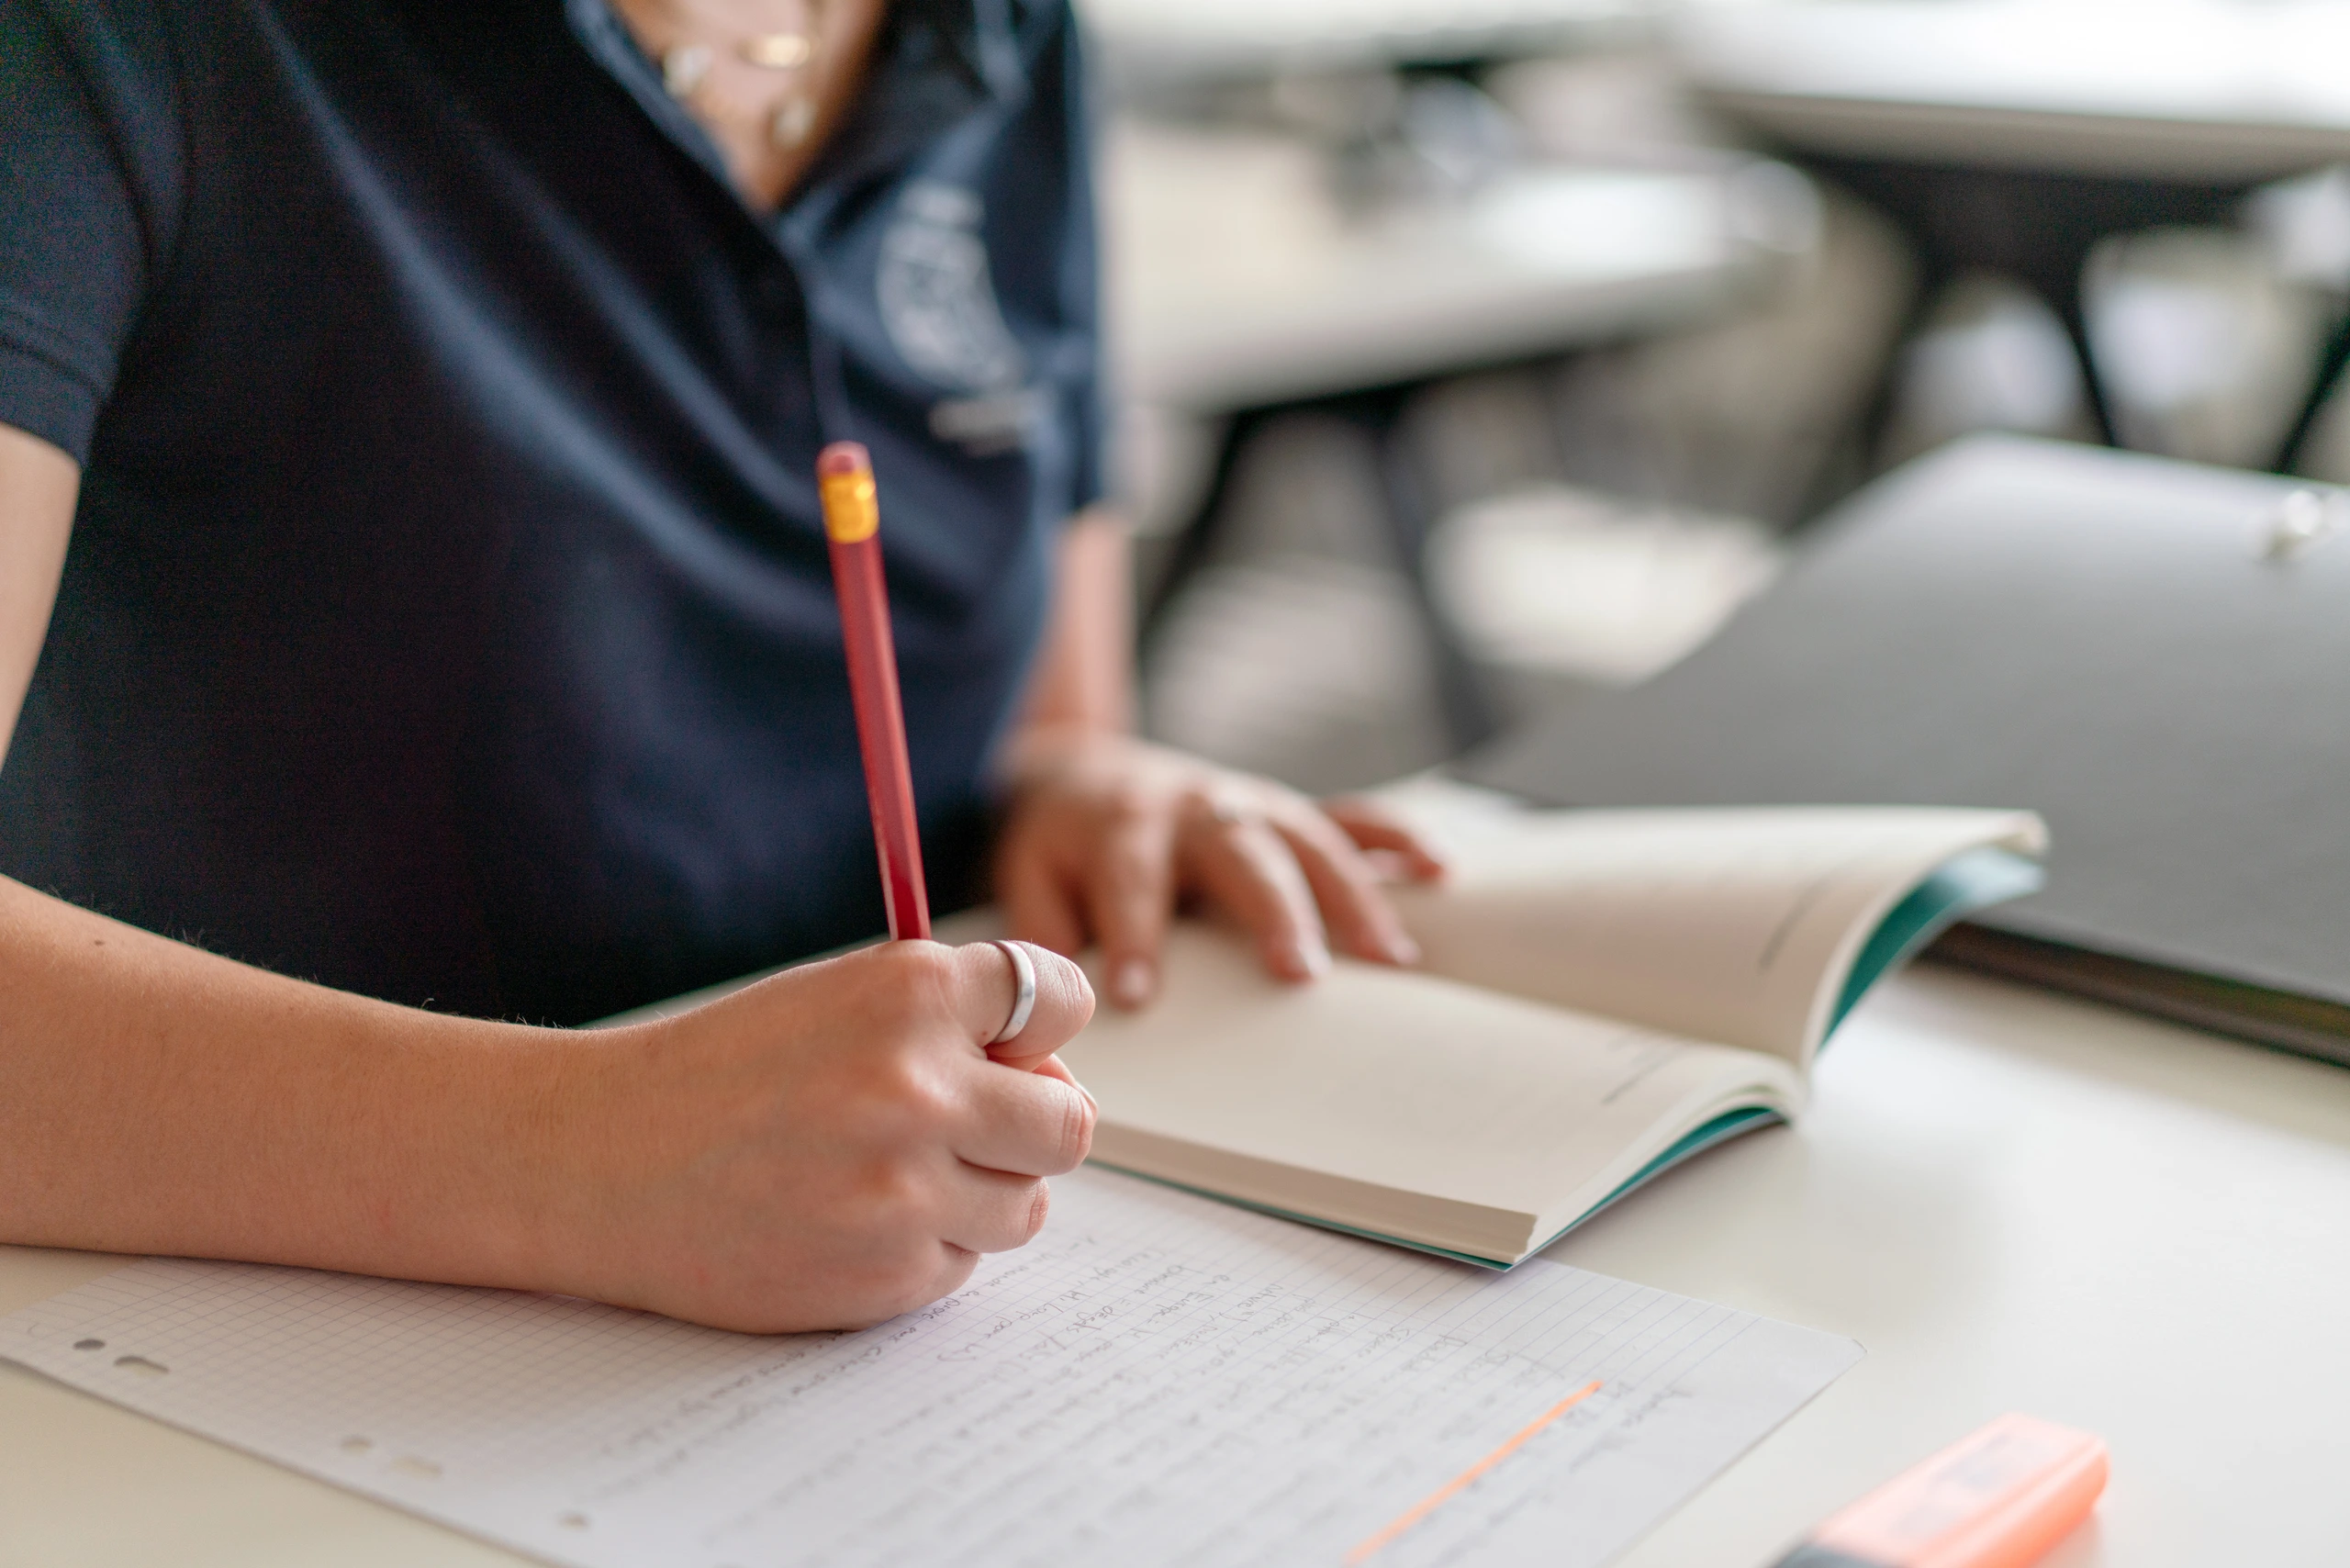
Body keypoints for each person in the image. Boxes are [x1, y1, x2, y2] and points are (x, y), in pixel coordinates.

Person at [0, 0, 1443, 1334]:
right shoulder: (106, 40)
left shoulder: (1010, 34)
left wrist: (1083, 786)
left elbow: (1053, 714)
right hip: (234, 1366)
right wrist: (575, 1154)